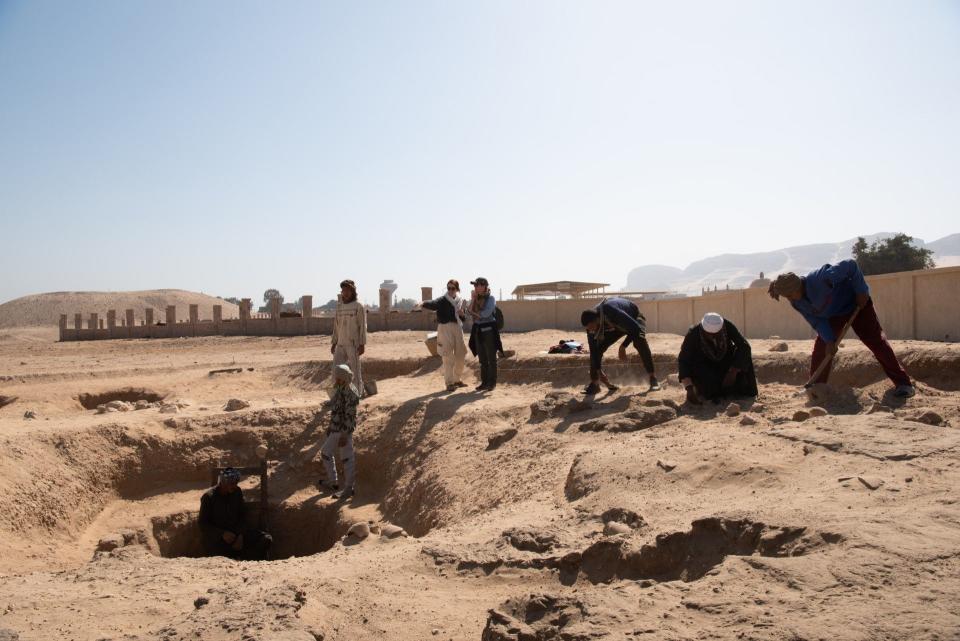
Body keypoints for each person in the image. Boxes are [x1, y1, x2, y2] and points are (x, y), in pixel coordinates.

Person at [768, 260, 915, 397]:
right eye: (786, 296)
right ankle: (816, 388)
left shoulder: (821, 278)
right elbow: (817, 321)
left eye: (789, 295)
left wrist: (861, 291)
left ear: (798, 286)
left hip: (857, 303)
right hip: (833, 314)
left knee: (876, 342)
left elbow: (851, 265)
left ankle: (904, 384)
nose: (790, 299)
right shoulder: (797, 302)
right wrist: (830, 340)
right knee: (822, 347)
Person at [580, 297, 660, 395]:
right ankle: (595, 384)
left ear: (597, 320)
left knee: (639, 340)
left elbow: (635, 328)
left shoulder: (611, 311)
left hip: (633, 318)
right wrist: (599, 371)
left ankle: (653, 378)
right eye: (589, 329)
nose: (591, 331)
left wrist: (623, 347)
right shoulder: (590, 327)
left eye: (592, 327)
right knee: (598, 348)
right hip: (615, 326)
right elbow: (593, 350)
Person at [679, 312, 758, 404]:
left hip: (727, 363)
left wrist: (733, 371)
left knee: (744, 357)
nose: (713, 337)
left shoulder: (727, 326)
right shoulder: (693, 333)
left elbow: (744, 346)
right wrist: (689, 389)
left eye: (716, 334)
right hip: (705, 366)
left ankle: (744, 392)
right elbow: (684, 359)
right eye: (709, 334)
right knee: (709, 387)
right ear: (703, 330)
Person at [199, 468, 272, 560]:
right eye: (231, 484)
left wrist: (240, 534)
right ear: (223, 483)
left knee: (266, 539)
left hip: (237, 534)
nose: (234, 486)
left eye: (236, 483)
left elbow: (243, 515)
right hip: (219, 540)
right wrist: (222, 533)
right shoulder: (208, 497)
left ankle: (250, 565)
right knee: (222, 557)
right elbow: (202, 524)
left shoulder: (237, 492)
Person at [318, 364, 361, 500]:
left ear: (343, 378)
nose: (335, 381)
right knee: (326, 453)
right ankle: (333, 482)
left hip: (343, 430)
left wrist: (344, 434)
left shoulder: (351, 392)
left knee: (347, 458)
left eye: (338, 379)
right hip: (336, 428)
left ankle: (348, 488)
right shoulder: (342, 387)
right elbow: (336, 404)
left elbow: (350, 416)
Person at [419, 279, 469, 392]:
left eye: (453, 288)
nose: (450, 290)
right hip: (445, 329)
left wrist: (462, 314)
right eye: (449, 288)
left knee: (461, 355)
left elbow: (464, 319)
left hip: (457, 328)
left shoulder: (460, 301)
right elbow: (434, 303)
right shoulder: (443, 300)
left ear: (457, 289)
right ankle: (449, 383)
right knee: (447, 357)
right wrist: (423, 303)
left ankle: (457, 379)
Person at [331, 279, 366, 397]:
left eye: (348, 290)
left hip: (353, 344)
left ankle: (357, 394)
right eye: (343, 290)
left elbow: (362, 326)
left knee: (355, 371)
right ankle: (337, 395)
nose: (345, 293)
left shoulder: (358, 306)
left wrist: (362, 344)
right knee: (336, 370)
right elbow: (336, 326)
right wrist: (334, 343)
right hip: (340, 344)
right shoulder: (339, 307)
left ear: (353, 291)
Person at [467, 277, 499, 392]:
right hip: (478, 331)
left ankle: (492, 383)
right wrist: (473, 299)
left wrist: (475, 313)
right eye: (474, 286)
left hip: (489, 331)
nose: (475, 287)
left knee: (491, 358)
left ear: (484, 286)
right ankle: (484, 383)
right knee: (482, 359)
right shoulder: (475, 299)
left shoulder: (491, 298)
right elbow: (468, 311)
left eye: (477, 285)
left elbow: (486, 313)